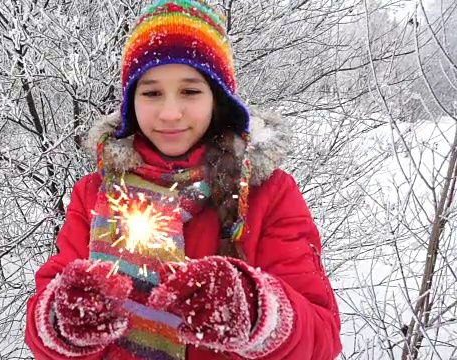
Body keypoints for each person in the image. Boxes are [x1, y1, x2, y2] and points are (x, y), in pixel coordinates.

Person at [25, 1, 342, 359]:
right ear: (131, 101)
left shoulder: (269, 194)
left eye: (190, 91)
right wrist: (62, 319)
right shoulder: (94, 193)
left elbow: (322, 338)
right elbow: (42, 327)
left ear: (217, 99)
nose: (170, 113)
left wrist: (254, 311)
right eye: (151, 92)